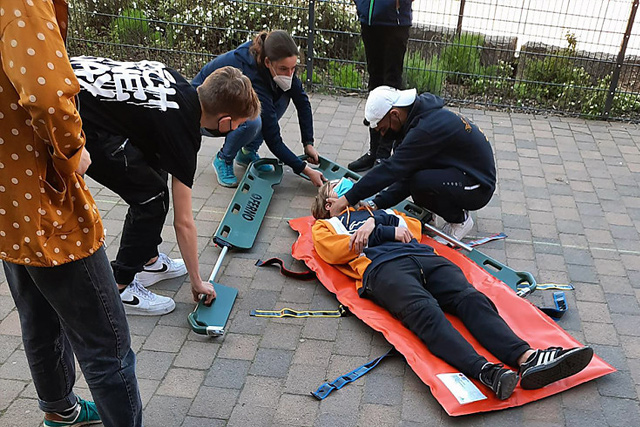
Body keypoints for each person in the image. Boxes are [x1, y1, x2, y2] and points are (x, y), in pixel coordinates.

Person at [311, 181, 594, 400]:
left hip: (425, 258)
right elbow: (338, 250)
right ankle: (486, 371)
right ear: (328, 203)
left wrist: (374, 222)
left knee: (471, 299)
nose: (348, 186)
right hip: (383, 269)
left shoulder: (381, 211)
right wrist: (383, 231)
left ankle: (527, 358)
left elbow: (411, 228)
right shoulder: (326, 226)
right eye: (337, 186)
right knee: (425, 311)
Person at [0, 0, 142, 425]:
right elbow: (47, 94)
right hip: (44, 201)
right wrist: (73, 151)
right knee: (108, 344)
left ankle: (61, 412)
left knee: (38, 315)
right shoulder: (22, 4)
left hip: (9, 198)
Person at [71, 57, 260, 315]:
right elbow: (184, 222)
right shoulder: (182, 130)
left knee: (156, 167)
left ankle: (148, 260)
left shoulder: (178, 84)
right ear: (224, 121)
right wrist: (197, 281)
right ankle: (120, 287)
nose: (238, 129)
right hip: (75, 116)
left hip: (72, 83)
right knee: (151, 199)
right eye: (239, 124)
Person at [329, 85, 497, 241]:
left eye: (383, 129)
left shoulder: (426, 129)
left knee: (420, 182)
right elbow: (403, 175)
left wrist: (348, 198)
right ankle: (434, 212)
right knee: (416, 179)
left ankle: (460, 221)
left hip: (478, 185)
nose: (383, 135)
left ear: (394, 114)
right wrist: (377, 204)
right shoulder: (415, 119)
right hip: (460, 172)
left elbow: (391, 170)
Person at [192, 30, 326, 188]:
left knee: (283, 96)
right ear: (268, 62)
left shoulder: (273, 60)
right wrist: (305, 170)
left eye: (293, 68)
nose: (289, 74)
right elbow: (273, 138)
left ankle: (247, 153)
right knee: (253, 120)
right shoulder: (252, 74)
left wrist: (308, 143)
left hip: (228, 114)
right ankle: (223, 159)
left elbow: (302, 102)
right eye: (284, 69)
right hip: (204, 117)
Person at [348, 0, 413, 172]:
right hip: (369, 19)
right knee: (375, 85)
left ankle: (383, 155)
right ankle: (374, 151)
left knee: (391, 87)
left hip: (394, 21)